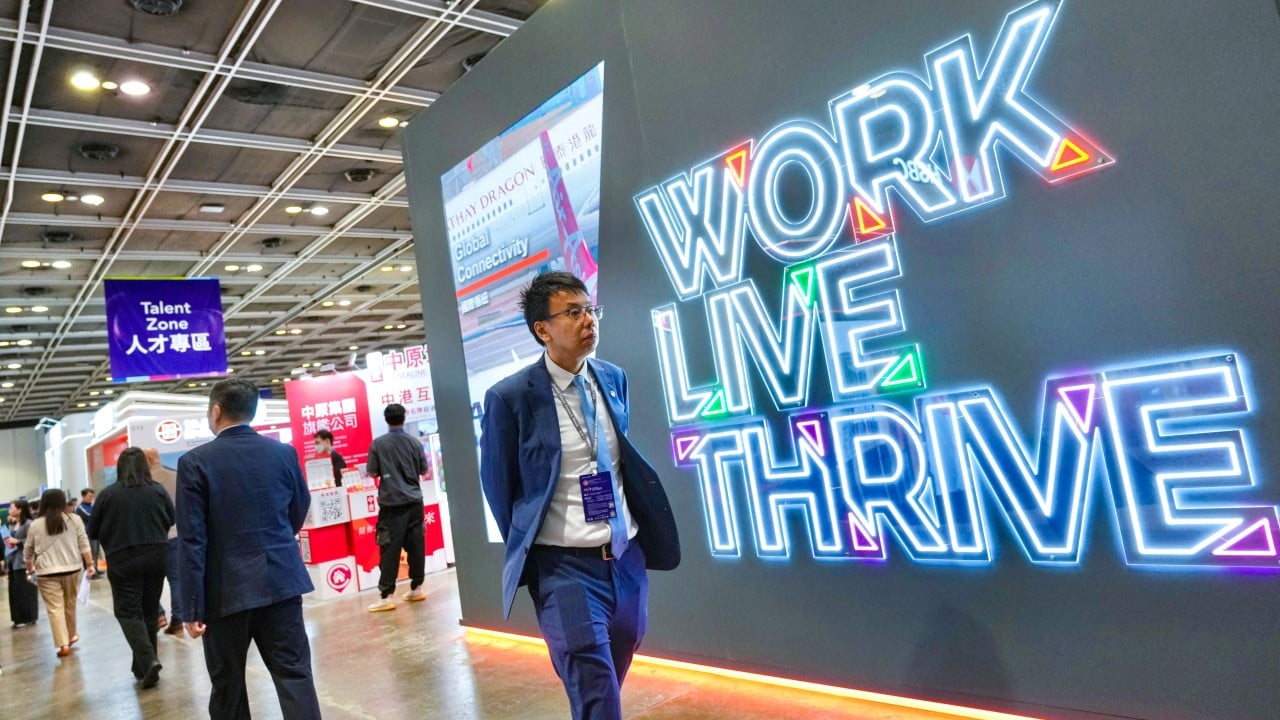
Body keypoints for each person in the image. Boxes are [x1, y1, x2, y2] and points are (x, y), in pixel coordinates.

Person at [480, 271, 680, 720]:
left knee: (608, 678)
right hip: (564, 570)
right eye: (573, 312)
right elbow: (499, 488)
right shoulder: (510, 397)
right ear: (543, 329)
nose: (588, 319)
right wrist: (539, 554)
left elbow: (619, 460)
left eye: (590, 309)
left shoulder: (612, 378)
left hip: (625, 560)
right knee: (595, 689)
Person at [177, 378, 322, 720]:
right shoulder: (283, 453)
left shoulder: (195, 462)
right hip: (281, 581)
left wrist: (191, 606)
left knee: (228, 686)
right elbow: (298, 507)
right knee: (295, 675)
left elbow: (193, 539)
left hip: (224, 592)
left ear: (215, 411)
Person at [87, 448, 174, 688]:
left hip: (122, 558)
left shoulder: (107, 495)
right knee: (149, 610)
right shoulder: (157, 490)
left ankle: (148, 661)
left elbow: (92, 531)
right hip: (157, 555)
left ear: (120, 468)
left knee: (127, 612)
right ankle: (143, 667)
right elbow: (172, 518)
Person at [365, 403, 427, 612]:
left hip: (392, 504)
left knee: (389, 549)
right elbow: (424, 470)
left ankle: (386, 596)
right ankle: (416, 588)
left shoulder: (378, 444)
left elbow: (372, 472)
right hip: (415, 501)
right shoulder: (414, 443)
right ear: (404, 417)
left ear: (386, 419)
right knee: (416, 545)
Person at [23, 488, 95, 658]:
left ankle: (63, 644)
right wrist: (90, 564)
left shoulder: (36, 524)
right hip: (73, 569)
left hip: (46, 572)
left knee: (55, 608)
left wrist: (30, 568)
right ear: (63, 502)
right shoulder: (74, 519)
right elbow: (84, 543)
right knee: (70, 604)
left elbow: (28, 550)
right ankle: (71, 636)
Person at [143, 448, 185, 636]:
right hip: (175, 534)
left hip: (151, 538)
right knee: (175, 579)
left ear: (149, 459)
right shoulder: (175, 476)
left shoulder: (143, 483)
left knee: (148, 580)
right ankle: (178, 619)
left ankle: (158, 614)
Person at [5, 499, 39, 627]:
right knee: (15, 592)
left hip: (24, 563)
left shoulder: (29, 523)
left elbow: (34, 541)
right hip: (13, 562)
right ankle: (18, 618)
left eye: (12, 507)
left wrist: (18, 541)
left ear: (20, 509)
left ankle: (29, 617)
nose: (10, 510)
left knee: (26, 591)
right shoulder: (13, 523)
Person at [74, 489, 103, 576]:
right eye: (89, 496)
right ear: (83, 496)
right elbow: (90, 516)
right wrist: (96, 511)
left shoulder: (92, 506)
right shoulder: (80, 508)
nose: (91, 498)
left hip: (96, 532)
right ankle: (91, 572)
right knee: (91, 552)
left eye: (92, 496)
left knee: (97, 552)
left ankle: (98, 569)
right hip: (87, 534)